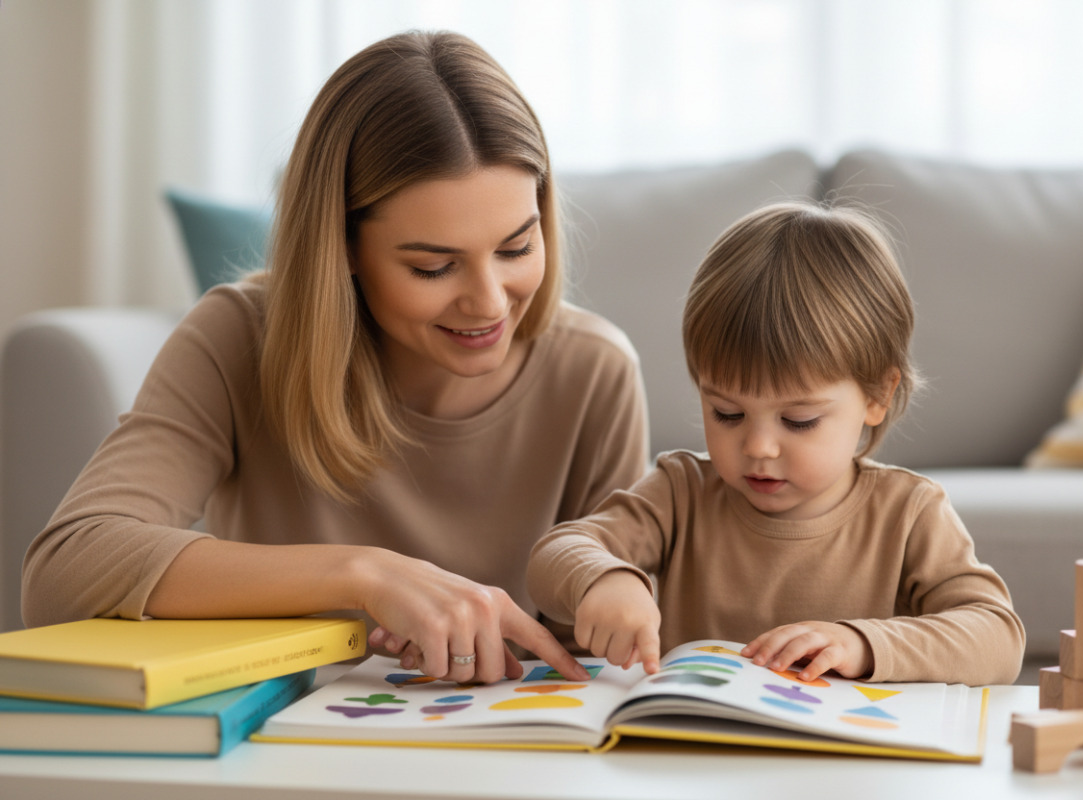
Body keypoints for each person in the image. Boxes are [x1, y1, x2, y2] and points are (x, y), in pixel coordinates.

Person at [22, 31, 650, 685]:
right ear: (342, 245)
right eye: (433, 266)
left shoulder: (594, 371)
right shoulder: (238, 338)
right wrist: (365, 574)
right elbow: (64, 570)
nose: (489, 302)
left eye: (516, 248)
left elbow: (595, 654)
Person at [527, 202, 1026, 686]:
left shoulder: (909, 513)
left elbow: (999, 638)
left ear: (878, 394)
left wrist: (862, 643)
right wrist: (604, 578)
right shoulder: (680, 493)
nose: (759, 447)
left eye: (798, 420)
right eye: (727, 413)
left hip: (839, 742)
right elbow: (556, 553)